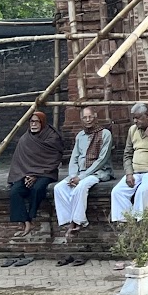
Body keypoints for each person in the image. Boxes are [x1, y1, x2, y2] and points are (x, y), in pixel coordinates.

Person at [52, 105, 113, 247]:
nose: (88, 120)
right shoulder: (80, 136)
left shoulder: (105, 134)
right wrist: (73, 175)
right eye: (85, 118)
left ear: (95, 117)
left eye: (90, 117)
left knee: (82, 186)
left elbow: (102, 159)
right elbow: (74, 158)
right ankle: (69, 220)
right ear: (81, 120)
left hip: (99, 172)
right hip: (79, 173)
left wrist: (82, 177)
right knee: (59, 188)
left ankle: (77, 222)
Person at [6, 109, 65, 245]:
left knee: (38, 188)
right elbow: (20, 161)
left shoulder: (52, 137)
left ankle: (31, 217)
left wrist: (36, 175)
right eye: (31, 122)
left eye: (37, 122)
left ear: (42, 122)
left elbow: (54, 158)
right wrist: (26, 175)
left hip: (46, 172)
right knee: (15, 191)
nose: (33, 124)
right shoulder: (25, 139)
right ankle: (25, 221)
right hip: (26, 174)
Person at [110, 101, 148, 225]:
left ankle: (139, 223)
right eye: (133, 118)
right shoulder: (132, 130)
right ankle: (127, 223)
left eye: (138, 118)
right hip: (136, 171)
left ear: (147, 116)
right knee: (117, 192)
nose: (135, 121)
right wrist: (129, 173)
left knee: (142, 191)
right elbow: (127, 154)